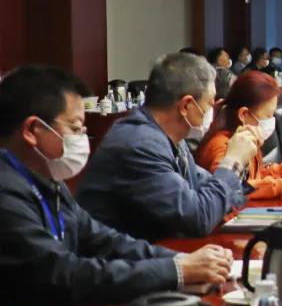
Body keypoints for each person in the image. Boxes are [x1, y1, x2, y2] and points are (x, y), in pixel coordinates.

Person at [0, 65, 235, 306]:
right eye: (75, 128)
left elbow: (104, 241)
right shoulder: (6, 190)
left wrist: (182, 261)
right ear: (32, 131)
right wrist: (175, 270)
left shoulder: (47, 181)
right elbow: (63, 274)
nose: (82, 138)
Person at [78, 53, 259, 241]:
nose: (212, 111)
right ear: (186, 105)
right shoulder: (139, 144)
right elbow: (197, 218)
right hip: (116, 256)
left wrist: (233, 179)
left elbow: (219, 194)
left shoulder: (172, 138)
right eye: (210, 103)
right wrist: (232, 161)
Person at [195, 71, 282, 199]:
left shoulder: (244, 137)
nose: (272, 121)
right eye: (268, 115)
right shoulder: (223, 146)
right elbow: (234, 189)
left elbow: (252, 178)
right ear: (244, 114)